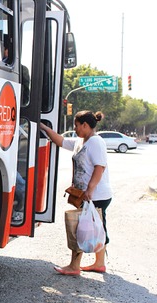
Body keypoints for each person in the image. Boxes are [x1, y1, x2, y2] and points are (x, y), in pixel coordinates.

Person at [40, 111, 112, 276]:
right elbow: (61, 141)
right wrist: (44, 127)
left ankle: (74, 266)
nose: (75, 128)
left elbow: (100, 167)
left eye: (77, 125)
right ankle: (99, 263)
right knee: (97, 226)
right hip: (89, 194)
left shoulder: (95, 142)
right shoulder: (81, 141)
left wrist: (90, 190)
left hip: (96, 195)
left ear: (85, 125)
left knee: (81, 227)